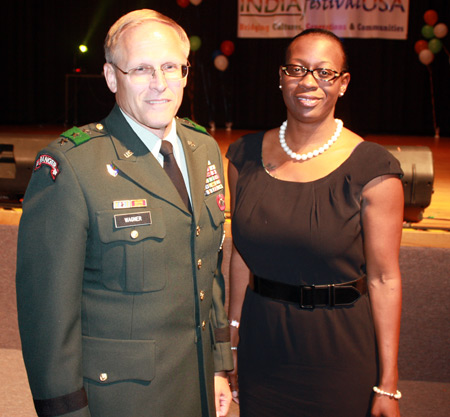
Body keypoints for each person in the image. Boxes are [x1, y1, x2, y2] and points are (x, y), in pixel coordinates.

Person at [16, 9, 233, 417]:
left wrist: (219, 366)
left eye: (171, 67)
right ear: (112, 77)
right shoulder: (73, 167)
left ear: (186, 73)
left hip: (197, 383)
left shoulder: (203, 149)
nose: (160, 84)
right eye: (141, 70)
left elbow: (208, 264)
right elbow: (47, 316)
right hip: (121, 398)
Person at [226, 28, 403, 417]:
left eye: (325, 73)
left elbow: (384, 279)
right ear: (280, 77)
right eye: (297, 69)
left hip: (337, 349)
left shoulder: (374, 168)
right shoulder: (243, 157)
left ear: (343, 84)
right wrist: (232, 342)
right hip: (263, 343)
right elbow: (241, 256)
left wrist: (388, 386)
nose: (309, 82)